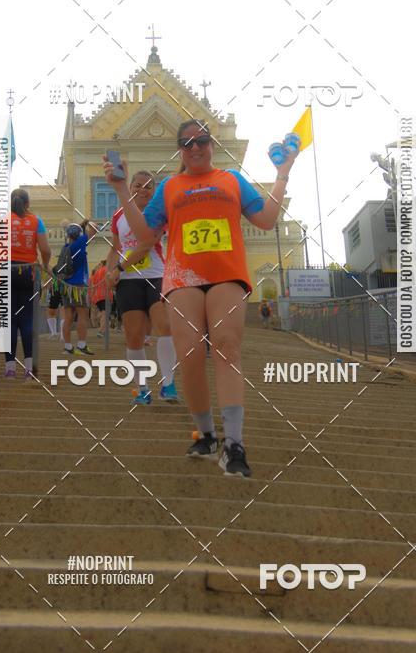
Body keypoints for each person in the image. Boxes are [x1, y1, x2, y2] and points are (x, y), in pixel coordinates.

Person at [103, 119, 297, 476]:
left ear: (211, 144)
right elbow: (145, 231)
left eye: (202, 141)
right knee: (189, 350)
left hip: (226, 273)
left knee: (226, 345)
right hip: (182, 278)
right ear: (180, 149)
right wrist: (120, 191)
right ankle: (206, 434)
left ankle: (234, 442)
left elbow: (267, 220)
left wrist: (282, 173)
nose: (195, 148)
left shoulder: (231, 180)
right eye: (187, 143)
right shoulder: (171, 187)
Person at [105, 170, 178, 405]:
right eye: (137, 185)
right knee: (133, 337)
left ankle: (168, 384)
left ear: (154, 191)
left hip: (156, 276)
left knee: (164, 327)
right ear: (130, 187)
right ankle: (142, 387)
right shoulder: (118, 215)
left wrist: (120, 268)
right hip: (128, 282)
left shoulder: (157, 213)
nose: (142, 190)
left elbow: (148, 244)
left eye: (148, 186)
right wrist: (109, 271)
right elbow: (116, 247)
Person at [6, 189, 51, 379]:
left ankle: (9, 368)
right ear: (28, 203)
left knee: (9, 321)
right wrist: (45, 265)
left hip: (6, 271)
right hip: (29, 272)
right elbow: (46, 249)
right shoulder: (36, 221)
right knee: (27, 320)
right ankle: (29, 368)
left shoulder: (3, 220)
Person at [57, 220, 95, 357]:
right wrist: (87, 222)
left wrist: (80, 225)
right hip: (79, 285)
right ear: (79, 234)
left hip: (67, 285)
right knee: (83, 315)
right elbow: (94, 230)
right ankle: (82, 345)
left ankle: (67, 347)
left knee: (68, 317)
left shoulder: (66, 247)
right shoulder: (81, 243)